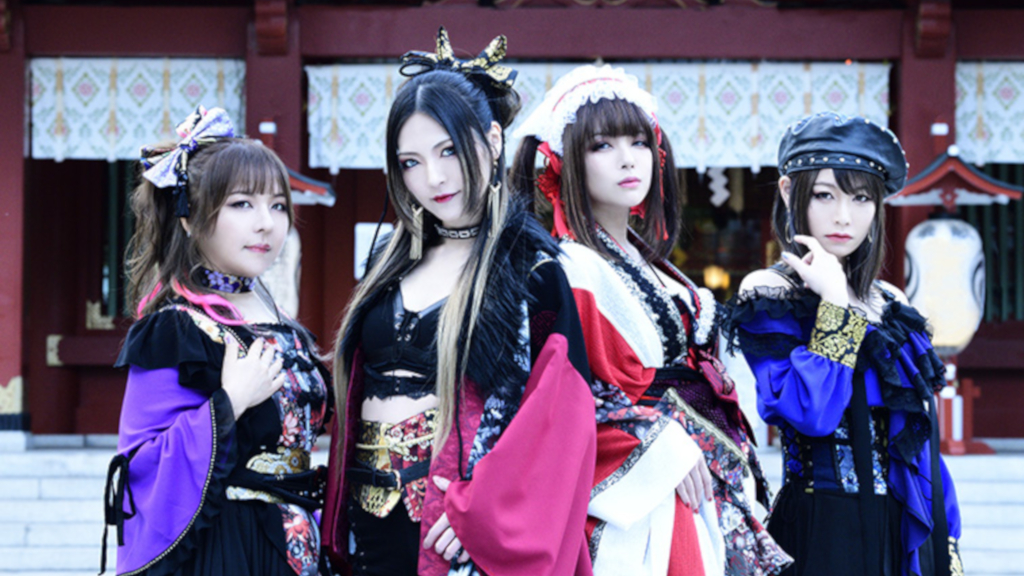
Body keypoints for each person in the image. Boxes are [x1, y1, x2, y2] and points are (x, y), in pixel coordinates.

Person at [321, 28, 597, 576]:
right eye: (411, 162)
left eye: (448, 150)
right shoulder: (387, 265)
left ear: (492, 141)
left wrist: (486, 508)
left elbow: (562, 416)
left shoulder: (533, 272)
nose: (433, 177)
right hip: (367, 521)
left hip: (456, 530)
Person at [511, 64, 791, 576]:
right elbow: (564, 399)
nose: (627, 158)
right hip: (645, 491)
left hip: (696, 473)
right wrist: (657, 442)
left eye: (639, 142)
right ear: (564, 162)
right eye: (602, 146)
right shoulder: (570, 269)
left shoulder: (650, 264)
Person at [725, 112, 964, 576]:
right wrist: (834, 303)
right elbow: (811, 413)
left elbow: (921, 441)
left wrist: (947, 534)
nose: (843, 216)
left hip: (905, 530)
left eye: (860, 198)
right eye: (824, 195)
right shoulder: (772, 292)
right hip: (823, 530)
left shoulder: (890, 302)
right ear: (789, 192)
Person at [100, 106, 332, 576]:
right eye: (242, 204)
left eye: (278, 205)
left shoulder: (287, 327)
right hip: (224, 549)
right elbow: (142, 464)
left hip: (299, 544)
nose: (266, 223)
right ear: (189, 218)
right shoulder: (176, 330)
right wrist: (230, 402)